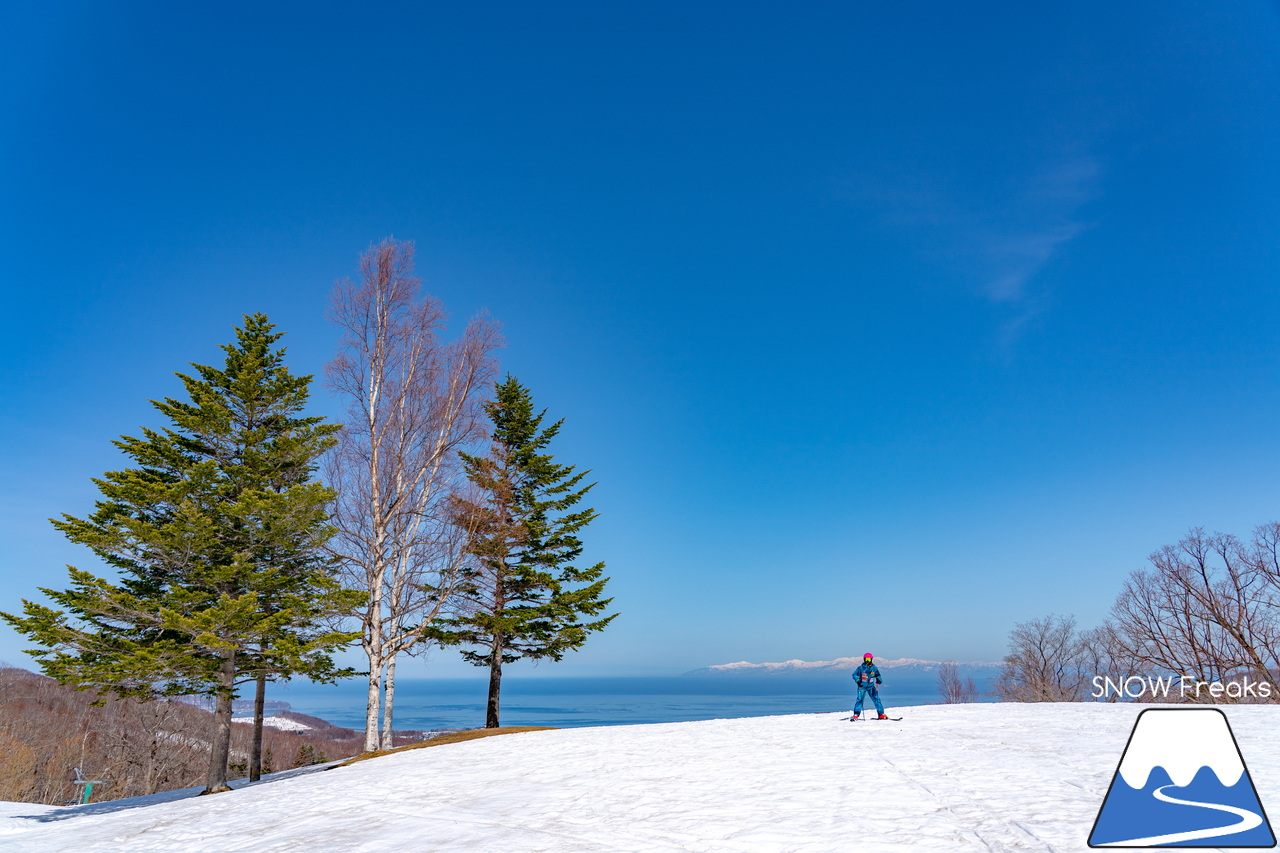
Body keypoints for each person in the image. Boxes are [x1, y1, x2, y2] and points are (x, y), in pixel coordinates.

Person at [851, 653, 887, 720]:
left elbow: (878, 674)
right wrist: (858, 681)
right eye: (866, 659)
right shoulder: (861, 668)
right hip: (862, 686)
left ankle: (881, 714)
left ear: (871, 659)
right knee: (860, 700)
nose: (867, 661)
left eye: (869, 659)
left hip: (871, 686)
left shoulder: (874, 668)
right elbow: (854, 675)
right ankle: (856, 714)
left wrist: (879, 680)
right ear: (864, 659)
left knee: (876, 699)